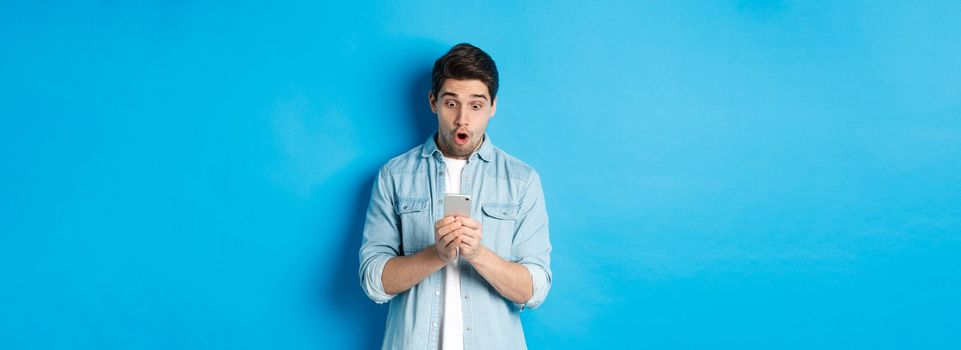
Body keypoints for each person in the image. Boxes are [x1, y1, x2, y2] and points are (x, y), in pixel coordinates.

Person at [358, 43, 552, 349]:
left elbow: (535, 289)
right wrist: (437, 254)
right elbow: (374, 281)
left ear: (493, 107)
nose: (463, 119)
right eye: (451, 103)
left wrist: (477, 254)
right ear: (433, 102)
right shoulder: (394, 176)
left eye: (476, 106)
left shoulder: (522, 181)